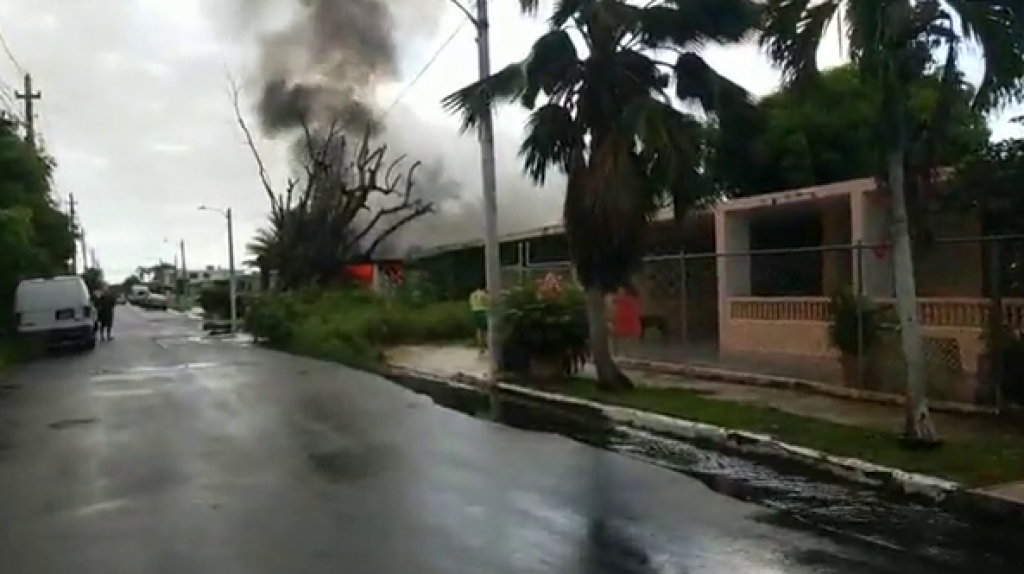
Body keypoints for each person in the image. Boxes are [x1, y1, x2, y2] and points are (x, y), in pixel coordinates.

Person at [610, 283, 641, 356]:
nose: (618, 292)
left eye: (620, 290)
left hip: (625, 331)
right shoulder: (630, 301)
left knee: (626, 351)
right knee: (628, 352)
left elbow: (622, 317)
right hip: (628, 330)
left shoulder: (624, 302)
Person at [468, 286, 489, 354]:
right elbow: (488, 303)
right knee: (487, 330)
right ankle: (488, 346)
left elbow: (471, 304)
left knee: (479, 330)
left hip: (475, 313)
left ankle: (481, 348)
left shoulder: (472, 294)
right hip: (483, 312)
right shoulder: (483, 294)